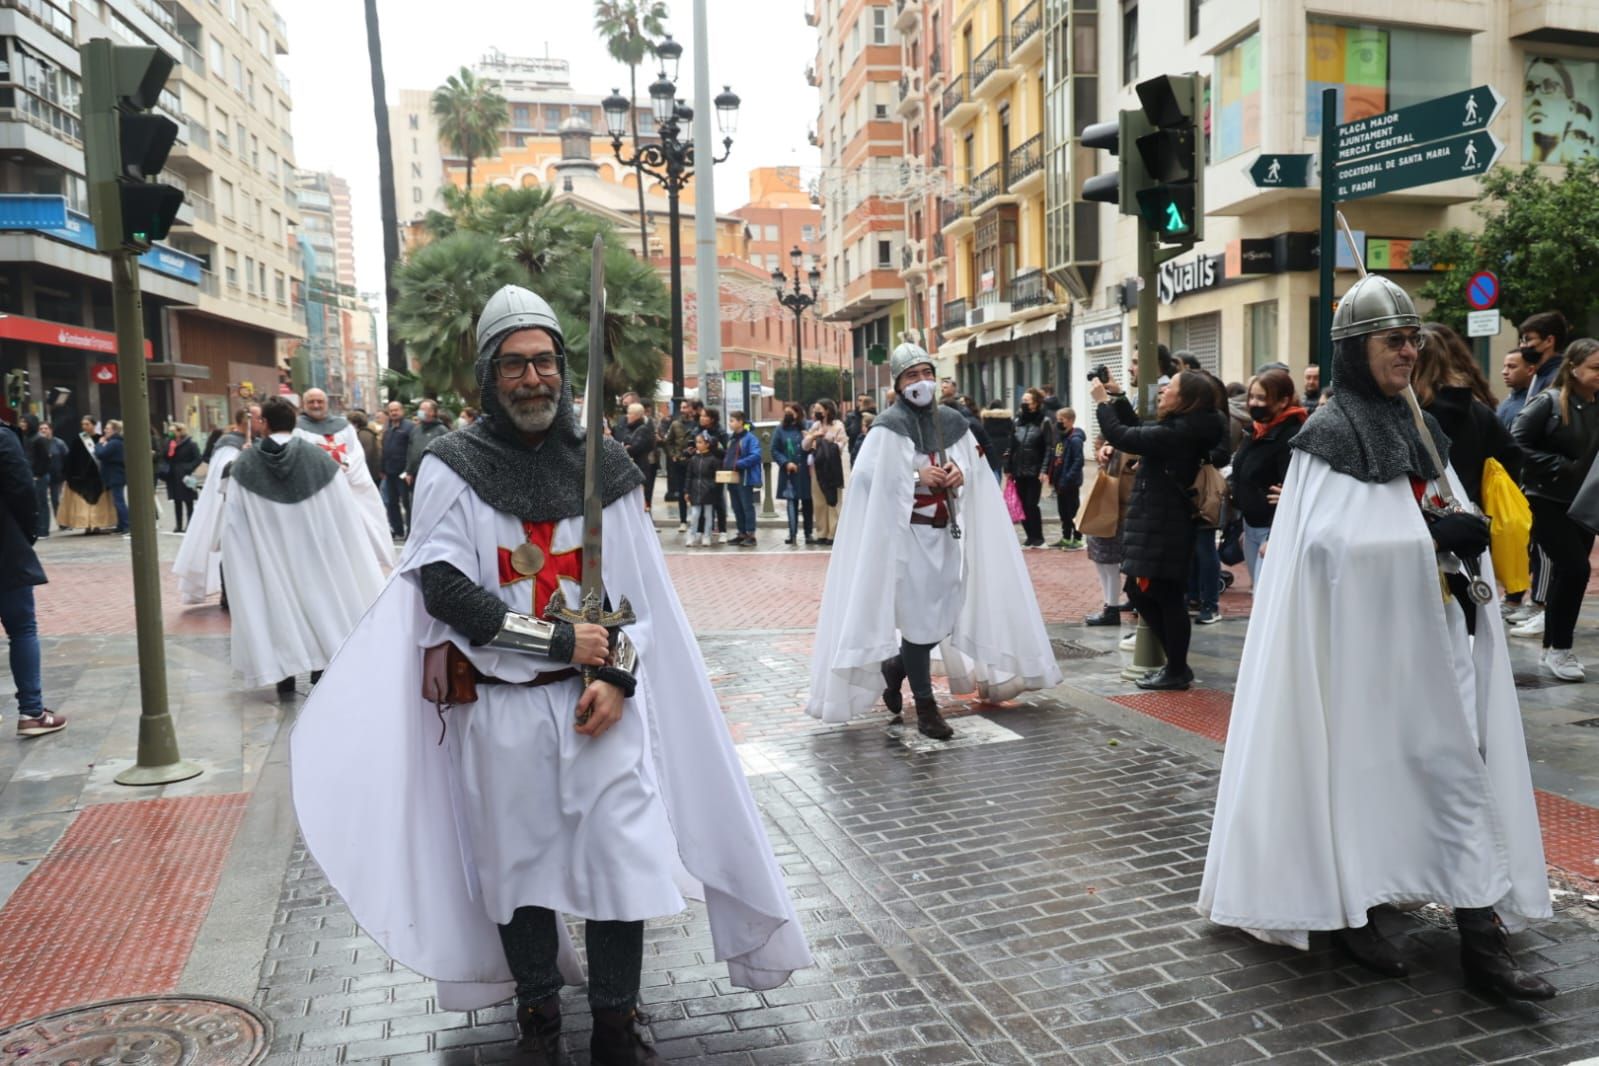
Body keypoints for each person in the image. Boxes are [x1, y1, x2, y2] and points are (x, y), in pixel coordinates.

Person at [288, 284, 812, 1063]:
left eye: (543, 363)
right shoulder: (451, 465)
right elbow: (442, 585)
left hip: (598, 709)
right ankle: (537, 1010)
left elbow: (642, 603)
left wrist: (617, 677)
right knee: (516, 870)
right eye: (514, 366)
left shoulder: (605, 466)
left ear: (563, 371)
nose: (532, 379)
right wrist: (559, 644)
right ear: (487, 377)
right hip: (502, 711)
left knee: (621, 859)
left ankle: (614, 1017)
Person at [1200, 273, 1555, 1001]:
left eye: (1411, 338)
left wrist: (1458, 531)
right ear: (1354, 350)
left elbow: (1432, 506)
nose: (1406, 351)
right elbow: (1330, 552)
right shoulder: (1328, 434)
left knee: (1457, 775)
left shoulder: (1415, 422)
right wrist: (1427, 535)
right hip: (1365, 653)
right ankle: (1351, 911)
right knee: (1361, 780)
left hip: (1436, 636)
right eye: (1392, 340)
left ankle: (1479, 938)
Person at [809, 340, 1061, 741]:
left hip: (946, 538)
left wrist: (960, 473)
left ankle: (896, 669)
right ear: (898, 384)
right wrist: (914, 478)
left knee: (940, 620)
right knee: (918, 622)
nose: (922, 382)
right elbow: (866, 479)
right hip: (907, 540)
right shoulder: (887, 428)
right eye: (913, 376)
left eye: (927, 373)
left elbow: (977, 469)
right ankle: (925, 707)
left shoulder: (953, 422)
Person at [220, 397, 389, 696]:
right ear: (294, 422)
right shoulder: (320, 460)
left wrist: (241, 557)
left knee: (277, 606)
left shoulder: (245, 466)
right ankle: (321, 666)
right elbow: (344, 513)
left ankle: (283, 672)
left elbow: (233, 521)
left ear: (265, 423)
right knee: (320, 602)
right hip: (315, 552)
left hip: (268, 553)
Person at [1088, 369, 1227, 690]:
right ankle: (1176, 667)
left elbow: (1124, 436)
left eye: (1171, 388)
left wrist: (1101, 405)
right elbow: (1139, 431)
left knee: (1164, 595)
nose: (1162, 391)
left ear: (1187, 399)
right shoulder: (1180, 429)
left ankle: (1177, 669)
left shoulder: (1181, 431)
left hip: (1165, 523)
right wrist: (1119, 398)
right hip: (1156, 521)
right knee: (1143, 592)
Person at [1511, 337, 1599, 682]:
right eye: (1594, 368)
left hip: (1585, 500)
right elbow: (1515, 442)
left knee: (1571, 575)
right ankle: (1560, 649)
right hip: (1545, 499)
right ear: (1573, 368)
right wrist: (1559, 466)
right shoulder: (1547, 402)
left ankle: (1554, 648)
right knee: (1575, 569)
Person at [1, 419, 64, 736]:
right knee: (22, 628)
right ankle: (32, 712)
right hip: (4, 549)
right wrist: (24, 534)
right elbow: (23, 490)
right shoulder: (2, 437)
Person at [1415, 323, 1521, 507]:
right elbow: (1512, 456)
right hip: (1474, 514)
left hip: (1427, 517)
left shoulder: (1408, 413)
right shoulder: (1475, 409)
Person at [1229, 370, 1307, 586]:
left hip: (1271, 529)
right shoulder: (1255, 431)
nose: (1254, 403)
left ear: (1283, 401)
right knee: (1260, 597)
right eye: (1251, 397)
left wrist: (1274, 536)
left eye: (1262, 398)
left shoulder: (1291, 436)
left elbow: (1292, 490)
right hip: (1251, 526)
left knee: (1266, 595)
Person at [296, 386, 392, 552]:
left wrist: (346, 466)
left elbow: (356, 453)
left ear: (327, 403)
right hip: (317, 488)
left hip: (347, 484)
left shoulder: (344, 426)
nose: (316, 405)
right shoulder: (297, 428)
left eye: (320, 401)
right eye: (311, 402)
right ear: (304, 404)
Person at [173, 409, 250, 605]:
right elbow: (223, 473)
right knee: (230, 551)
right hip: (231, 506)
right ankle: (228, 594)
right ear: (245, 423)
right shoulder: (230, 444)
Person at [803, 398, 849, 546]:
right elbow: (805, 446)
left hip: (833, 467)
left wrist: (826, 437)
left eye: (818, 409)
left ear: (827, 410)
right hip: (817, 467)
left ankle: (833, 534)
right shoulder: (815, 426)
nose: (815, 412)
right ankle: (822, 533)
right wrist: (813, 436)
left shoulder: (838, 426)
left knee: (833, 500)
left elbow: (841, 445)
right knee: (818, 501)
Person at [57, 416, 115, 533]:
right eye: (83, 424)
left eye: (87, 424)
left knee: (98, 501)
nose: (84, 427)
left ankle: (97, 524)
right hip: (81, 476)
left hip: (98, 476)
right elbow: (71, 458)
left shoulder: (101, 439)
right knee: (83, 501)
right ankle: (87, 525)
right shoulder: (78, 440)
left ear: (93, 425)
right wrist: (68, 474)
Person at [1008, 388, 1049, 548]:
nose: (1024, 404)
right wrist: (1008, 467)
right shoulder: (1017, 421)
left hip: (1034, 469)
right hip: (1018, 469)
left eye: (1027, 401)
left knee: (1032, 504)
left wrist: (1044, 470)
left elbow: (1049, 447)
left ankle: (1038, 537)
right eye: (1023, 400)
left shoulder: (1044, 421)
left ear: (1036, 403)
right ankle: (1029, 537)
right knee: (1022, 504)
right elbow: (1011, 445)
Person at [772, 403, 812, 546]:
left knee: (808, 503)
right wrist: (785, 462)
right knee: (791, 503)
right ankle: (792, 533)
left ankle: (809, 533)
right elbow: (775, 450)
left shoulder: (807, 427)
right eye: (786, 412)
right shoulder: (780, 430)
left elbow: (812, 445)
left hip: (806, 471)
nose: (788, 415)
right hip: (789, 473)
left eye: (791, 412)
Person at [724, 409, 762, 546]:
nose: (730, 423)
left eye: (732, 421)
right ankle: (741, 533)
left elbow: (756, 455)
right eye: (730, 420)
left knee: (747, 506)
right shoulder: (732, 438)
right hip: (732, 477)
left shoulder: (750, 438)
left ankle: (751, 535)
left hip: (745, 477)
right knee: (736, 506)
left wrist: (738, 464)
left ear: (740, 422)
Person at [1049, 407, 1085, 550]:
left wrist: (1068, 477)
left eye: (1061, 420)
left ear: (1070, 421)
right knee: (1063, 512)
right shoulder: (1061, 438)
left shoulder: (1075, 439)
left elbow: (1078, 461)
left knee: (1072, 511)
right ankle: (1066, 537)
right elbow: (1057, 457)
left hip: (1070, 483)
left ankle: (1077, 539)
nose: (1058, 423)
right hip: (1060, 482)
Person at [381, 400, 414, 538]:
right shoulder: (387, 427)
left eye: (396, 410)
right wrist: (382, 469)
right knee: (391, 502)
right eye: (391, 410)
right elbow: (384, 449)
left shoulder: (410, 427)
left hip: (403, 472)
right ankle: (397, 530)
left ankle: (411, 531)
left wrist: (409, 470)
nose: (394, 413)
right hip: (389, 472)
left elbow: (412, 449)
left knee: (407, 503)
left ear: (402, 411)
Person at [663, 399, 697, 531]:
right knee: (682, 492)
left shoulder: (696, 424)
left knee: (695, 491)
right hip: (680, 462)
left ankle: (696, 520)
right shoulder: (675, 424)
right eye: (681, 408)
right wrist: (673, 455)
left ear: (691, 409)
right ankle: (683, 521)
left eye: (685, 407)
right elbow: (668, 441)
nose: (682, 410)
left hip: (695, 462)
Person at [616, 403, 657, 513]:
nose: (627, 416)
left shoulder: (643, 429)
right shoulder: (629, 427)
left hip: (640, 467)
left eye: (630, 414)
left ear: (637, 415)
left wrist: (626, 447)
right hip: (633, 467)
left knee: (640, 499)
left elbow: (635, 448)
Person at [161, 423, 201, 533]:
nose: (170, 434)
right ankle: (178, 525)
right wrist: (169, 448)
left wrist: (188, 467)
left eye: (172, 431)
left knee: (188, 501)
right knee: (177, 501)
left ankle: (190, 524)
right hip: (173, 475)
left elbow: (198, 458)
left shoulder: (191, 444)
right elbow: (164, 456)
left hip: (186, 476)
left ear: (180, 431)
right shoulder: (170, 442)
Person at [683, 431, 721, 547]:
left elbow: (717, 477)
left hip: (708, 491)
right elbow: (689, 476)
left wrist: (712, 487)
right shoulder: (693, 459)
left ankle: (707, 535)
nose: (697, 444)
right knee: (694, 514)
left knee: (708, 515)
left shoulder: (713, 460)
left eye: (700, 442)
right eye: (697, 442)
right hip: (695, 490)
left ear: (707, 444)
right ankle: (691, 535)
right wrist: (686, 491)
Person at [697, 407, 729, 542]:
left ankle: (722, 530)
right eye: (701, 416)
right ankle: (701, 529)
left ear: (712, 419)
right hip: (701, 468)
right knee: (701, 499)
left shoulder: (720, 432)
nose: (701, 418)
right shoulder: (698, 430)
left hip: (716, 469)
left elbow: (727, 451)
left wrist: (713, 447)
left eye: (704, 416)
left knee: (718, 500)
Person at [406, 399, 451, 486]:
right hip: (416, 474)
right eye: (420, 409)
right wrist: (409, 471)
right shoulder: (416, 430)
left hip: (434, 474)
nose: (420, 412)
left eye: (424, 409)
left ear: (433, 412)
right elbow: (410, 452)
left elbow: (448, 453)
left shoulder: (441, 430)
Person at [94, 420, 129, 534]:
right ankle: (121, 524)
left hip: (115, 475)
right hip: (115, 474)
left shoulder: (114, 443)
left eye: (107, 428)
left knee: (119, 501)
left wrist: (99, 444)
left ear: (114, 430)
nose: (105, 430)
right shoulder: (116, 442)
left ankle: (127, 524)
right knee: (117, 500)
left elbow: (101, 454)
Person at [1497, 347, 1538, 429]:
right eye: (1504, 366)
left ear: (1530, 370)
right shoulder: (1505, 403)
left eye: (1511, 367)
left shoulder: (1535, 404)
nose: (1504, 372)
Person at [23, 415, 50, 539]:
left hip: (39, 476)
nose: (22, 423)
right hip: (30, 475)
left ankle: (43, 530)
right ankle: (37, 528)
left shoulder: (39, 439)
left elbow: (44, 459)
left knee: (41, 503)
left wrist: (38, 474)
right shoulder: (26, 438)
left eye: (24, 421)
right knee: (34, 503)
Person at [980, 400, 1013, 485]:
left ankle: (996, 484)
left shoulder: (986, 418)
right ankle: (999, 482)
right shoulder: (1007, 418)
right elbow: (1012, 431)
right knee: (1001, 465)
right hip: (1004, 444)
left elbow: (983, 431)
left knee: (994, 466)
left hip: (991, 443)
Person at [350, 410, 382, 487]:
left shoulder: (364, 435)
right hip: (370, 473)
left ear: (355, 423)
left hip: (369, 474)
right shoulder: (364, 433)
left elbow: (366, 456)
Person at [42, 422, 66, 520]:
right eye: (41, 428)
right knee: (42, 500)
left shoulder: (59, 443)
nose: (43, 430)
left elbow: (66, 457)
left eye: (45, 428)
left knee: (56, 499)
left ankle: (61, 520)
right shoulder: (38, 442)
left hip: (56, 475)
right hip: (42, 474)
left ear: (51, 430)